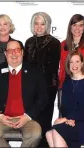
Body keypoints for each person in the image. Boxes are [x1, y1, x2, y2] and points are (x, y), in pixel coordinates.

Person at [0, 40, 48, 147]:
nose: (14, 53)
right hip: (2, 118)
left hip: (26, 118)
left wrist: (28, 116)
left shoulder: (34, 71)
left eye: (17, 50)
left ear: (22, 52)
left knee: (35, 134)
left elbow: (43, 97)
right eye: (10, 51)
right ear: (5, 54)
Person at [46, 50, 84, 148]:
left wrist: (66, 119)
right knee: (48, 134)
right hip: (70, 120)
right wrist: (67, 119)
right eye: (71, 62)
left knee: (56, 131)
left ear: (82, 63)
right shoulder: (67, 82)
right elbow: (64, 107)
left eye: (77, 61)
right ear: (68, 64)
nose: (74, 65)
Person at [24, 12, 61, 147]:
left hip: (48, 87)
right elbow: (25, 66)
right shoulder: (28, 42)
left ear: (48, 25)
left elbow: (51, 68)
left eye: (42, 23)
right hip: (30, 88)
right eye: (36, 23)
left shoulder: (54, 43)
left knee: (44, 121)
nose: (39, 27)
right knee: (32, 121)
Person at [59, 14, 84, 89]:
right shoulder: (63, 44)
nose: (77, 28)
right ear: (70, 27)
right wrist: (61, 84)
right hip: (67, 84)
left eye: (80, 25)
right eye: (74, 25)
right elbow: (62, 67)